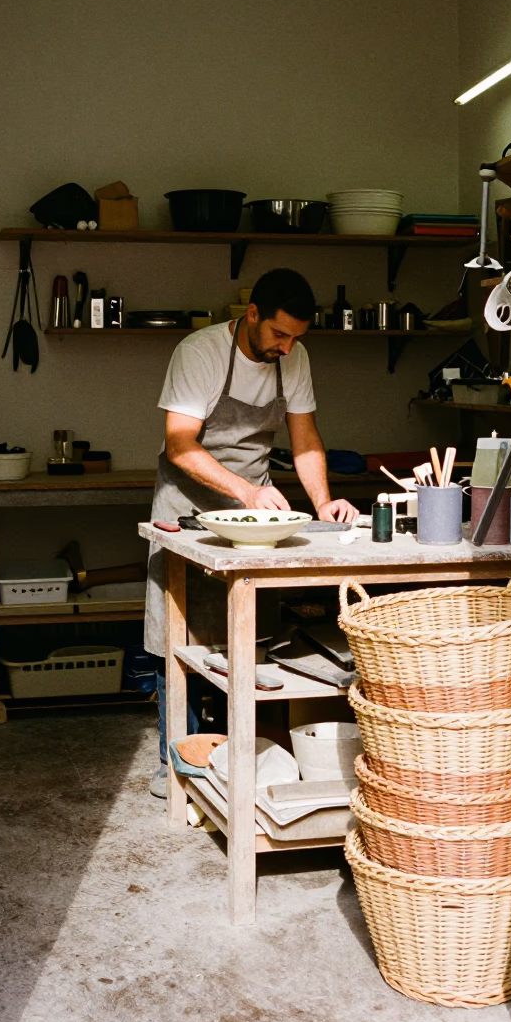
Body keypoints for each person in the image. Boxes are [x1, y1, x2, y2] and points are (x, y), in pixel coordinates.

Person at [144, 268, 359, 798]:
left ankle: (246, 760)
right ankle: (179, 761)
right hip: (189, 503)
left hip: (253, 511)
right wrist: (246, 492)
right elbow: (179, 444)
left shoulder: (295, 358)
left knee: (252, 634)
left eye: (296, 338)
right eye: (278, 335)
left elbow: (305, 440)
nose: (287, 348)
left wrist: (323, 502)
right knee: (182, 636)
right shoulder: (200, 352)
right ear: (252, 314)